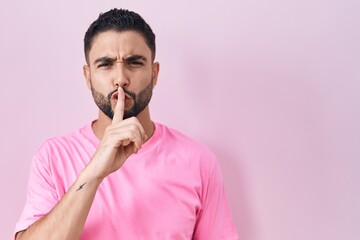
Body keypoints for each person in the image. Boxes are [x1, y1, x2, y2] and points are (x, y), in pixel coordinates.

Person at [14, 8, 239, 240]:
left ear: (154, 73)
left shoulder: (198, 160)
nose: (120, 78)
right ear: (88, 76)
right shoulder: (53, 157)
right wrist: (94, 172)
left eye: (134, 63)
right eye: (105, 64)